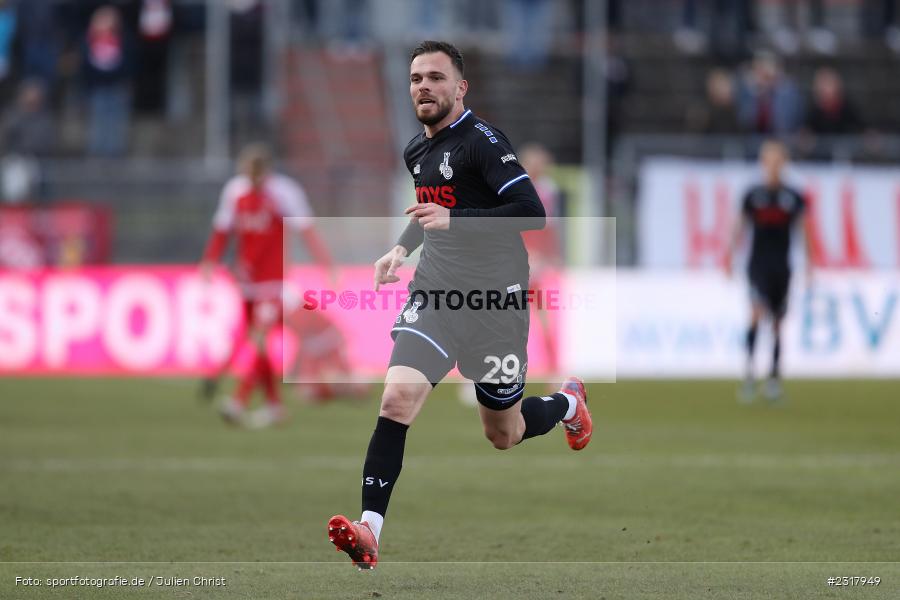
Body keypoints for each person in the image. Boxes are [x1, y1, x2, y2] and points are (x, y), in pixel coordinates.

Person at [326, 40, 593, 570]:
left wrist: (459, 220)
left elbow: (530, 212)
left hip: (497, 307)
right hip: (437, 297)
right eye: (416, 78)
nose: (423, 86)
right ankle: (370, 530)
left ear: (459, 87)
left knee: (505, 432)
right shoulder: (416, 151)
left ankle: (567, 405)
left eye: (435, 77)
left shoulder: (484, 142)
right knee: (396, 399)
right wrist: (402, 247)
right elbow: (431, 208)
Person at [200, 143, 334, 428]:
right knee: (256, 343)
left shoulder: (284, 192)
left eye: (257, 175)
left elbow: (306, 231)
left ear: (267, 172)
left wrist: (327, 265)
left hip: (273, 282)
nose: (253, 180)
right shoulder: (236, 192)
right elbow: (222, 230)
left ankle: (238, 401)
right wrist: (210, 261)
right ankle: (274, 406)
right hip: (247, 281)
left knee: (259, 338)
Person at [725, 140, 812, 403]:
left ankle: (773, 378)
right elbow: (739, 226)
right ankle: (750, 375)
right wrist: (728, 255)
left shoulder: (793, 196)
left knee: (777, 324)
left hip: (782, 267)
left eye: (777, 160)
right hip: (757, 266)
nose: (772, 165)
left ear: (783, 163)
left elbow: (804, 230)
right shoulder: (753, 195)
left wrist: (811, 262)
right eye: (768, 160)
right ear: (763, 163)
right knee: (755, 313)